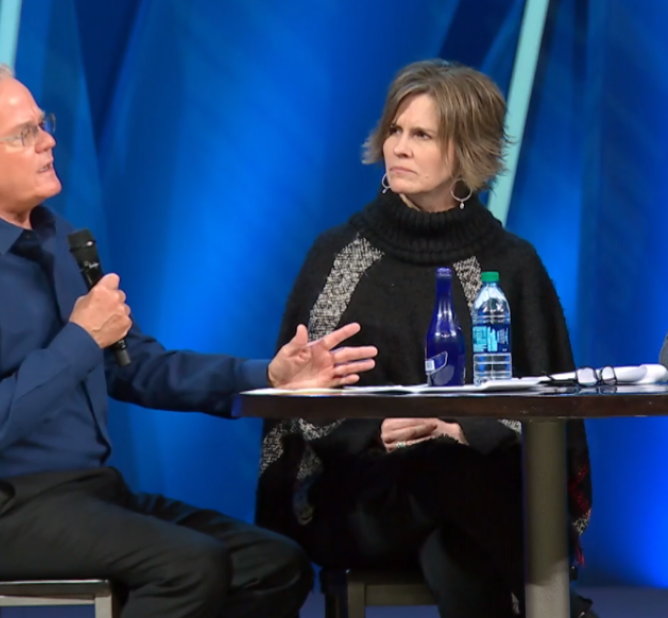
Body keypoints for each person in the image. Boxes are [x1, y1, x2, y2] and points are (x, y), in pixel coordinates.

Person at [0, 62, 381, 618]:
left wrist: (269, 376)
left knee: (274, 564)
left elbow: (134, 365)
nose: (48, 141)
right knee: (188, 565)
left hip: (89, 494)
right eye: (24, 134)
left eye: (43, 123)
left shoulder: (60, 239)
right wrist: (79, 337)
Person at [255, 60, 596, 618]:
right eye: (395, 129)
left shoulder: (512, 265)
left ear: (466, 151)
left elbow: (554, 404)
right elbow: (296, 407)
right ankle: (571, 610)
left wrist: (464, 428)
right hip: (358, 497)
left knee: (458, 547)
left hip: (481, 496)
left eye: (422, 135)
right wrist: (375, 431)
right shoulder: (338, 254)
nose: (400, 147)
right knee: (441, 469)